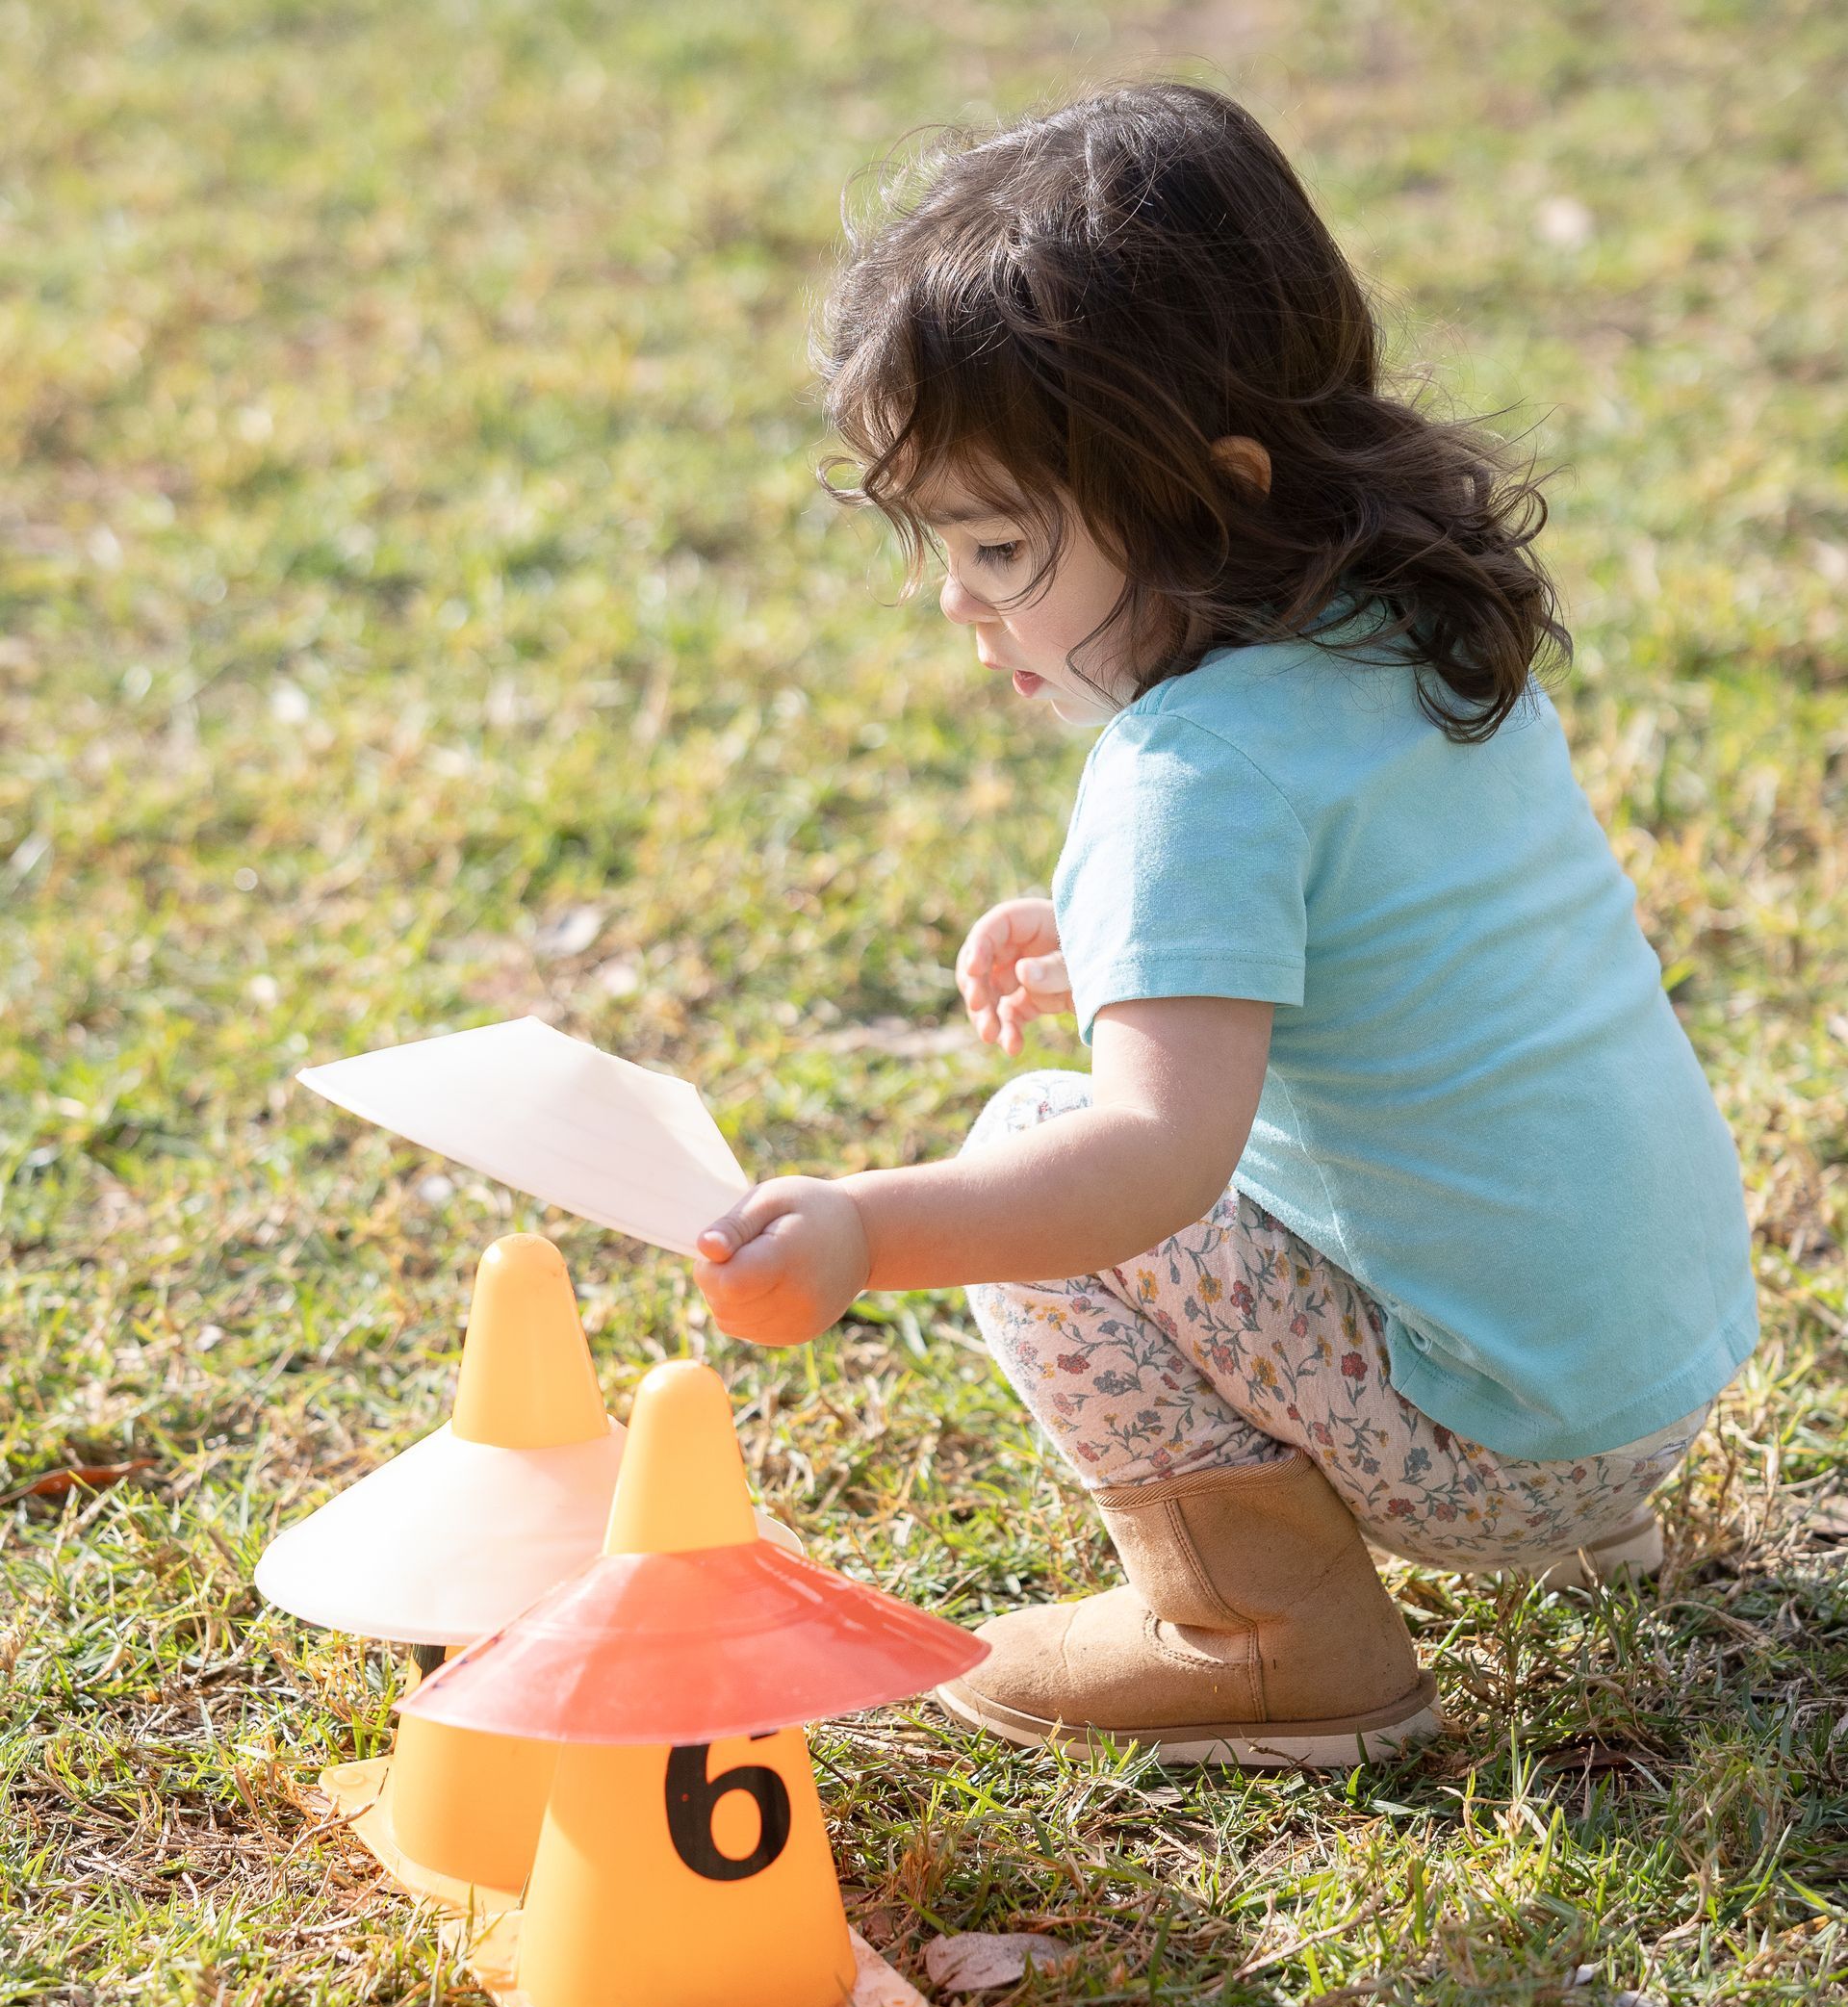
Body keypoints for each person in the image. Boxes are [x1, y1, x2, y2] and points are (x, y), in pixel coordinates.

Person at [691, 84, 1758, 1767]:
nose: (955, 601)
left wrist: (861, 1228)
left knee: (1036, 1137)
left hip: (1493, 1443)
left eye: (998, 545)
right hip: (1650, 1368)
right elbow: (1407, 939)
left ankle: (1262, 1633)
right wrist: (1126, 936)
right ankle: (1586, 1531)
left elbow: (1151, 1164)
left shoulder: (1188, 769)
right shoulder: (1418, 631)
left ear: (1215, 496)